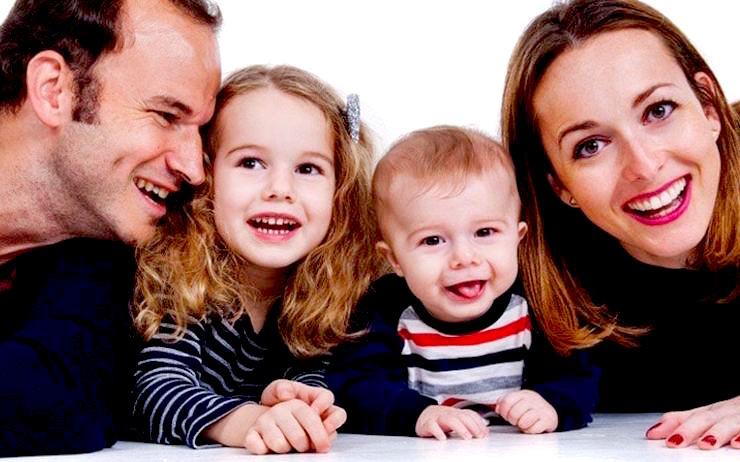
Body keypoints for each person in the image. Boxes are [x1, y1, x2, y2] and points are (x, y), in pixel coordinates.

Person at [501, 0, 740, 451]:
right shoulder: (512, 280)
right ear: (558, 183)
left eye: (659, 110)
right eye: (591, 145)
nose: (644, 166)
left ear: (707, 106)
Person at [0, 0, 221, 456]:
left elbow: (62, 409)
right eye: (167, 115)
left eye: (199, 130)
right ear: (54, 90)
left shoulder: (103, 251)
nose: (194, 169)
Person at [130, 65, 381, 455]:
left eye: (308, 169)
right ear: (207, 175)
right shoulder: (183, 275)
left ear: (340, 191)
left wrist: (301, 403)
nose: (280, 189)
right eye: (250, 163)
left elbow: (311, 373)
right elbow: (155, 391)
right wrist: (246, 420)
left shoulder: (321, 291)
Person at [327, 126, 599, 440]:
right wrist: (418, 414)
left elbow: (580, 376)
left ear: (517, 238)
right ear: (395, 260)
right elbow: (354, 386)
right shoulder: (385, 310)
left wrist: (551, 403)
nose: (464, 258)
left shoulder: (534, 302)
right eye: (432, 240)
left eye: (484, 233)